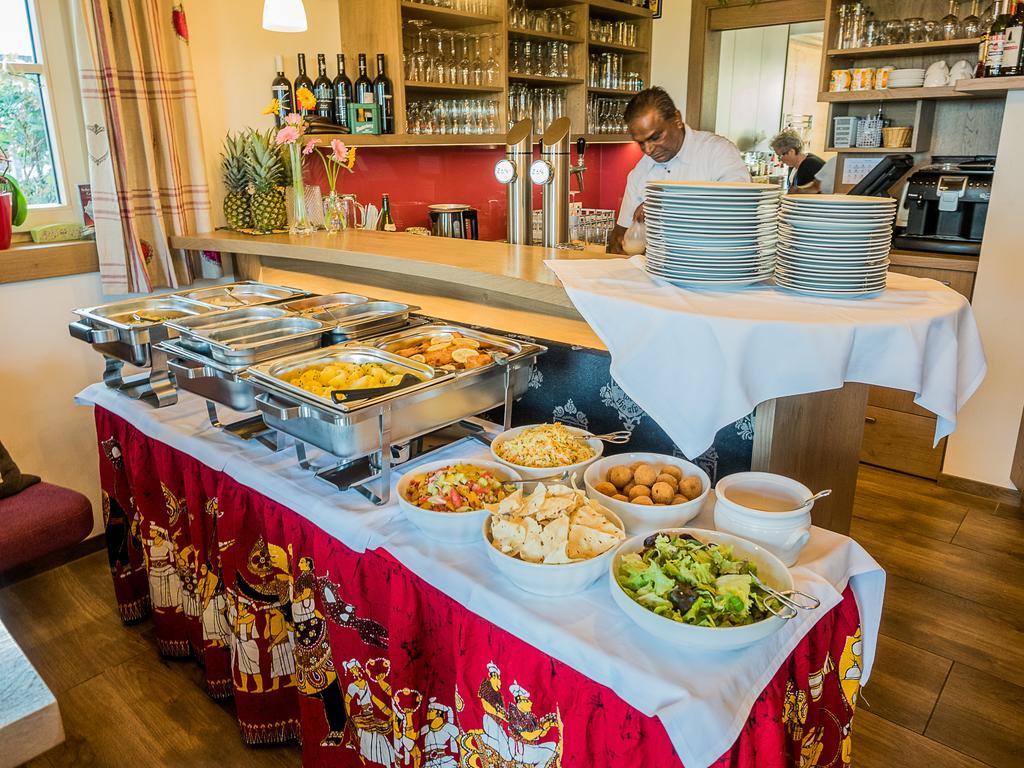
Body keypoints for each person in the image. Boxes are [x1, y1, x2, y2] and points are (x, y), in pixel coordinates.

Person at [608, 86, 751, 255]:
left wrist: (663, 205)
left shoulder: (718, 152)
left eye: (655, 137)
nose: (648, 149)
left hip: (717, 269)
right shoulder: (641, 171)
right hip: (659, 275)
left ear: (677, 118)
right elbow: (620, 236)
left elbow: (742, 211)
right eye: (640, 143)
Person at [770, 129, 826, 194]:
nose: (780, 160)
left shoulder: (810, 165)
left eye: (780, 156)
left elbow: (812, 194)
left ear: (791, 152)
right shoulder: (794, 167)